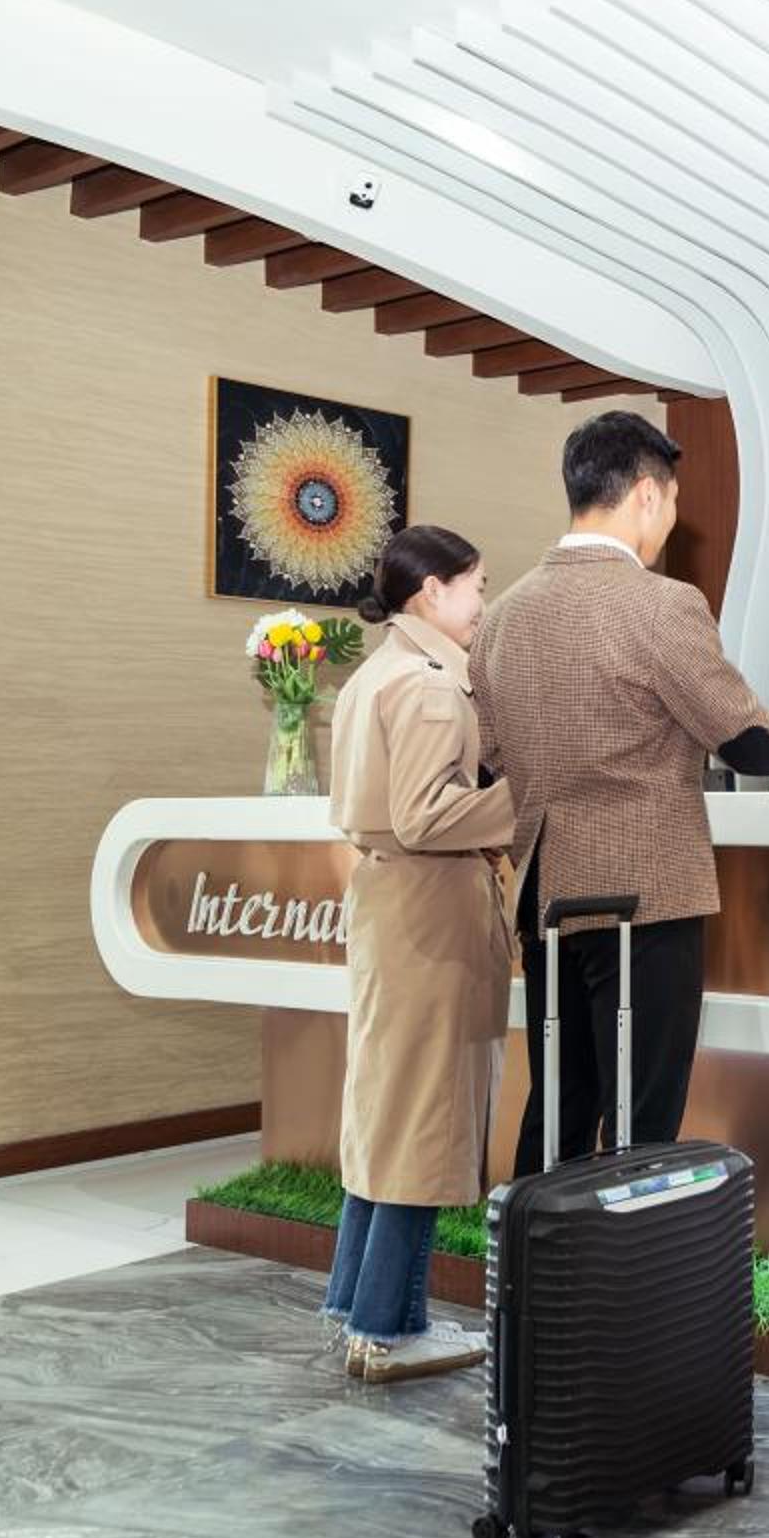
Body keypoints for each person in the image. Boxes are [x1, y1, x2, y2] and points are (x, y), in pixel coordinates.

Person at [472, 410, 769, 1174]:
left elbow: (490, 763)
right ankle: (625, 1256)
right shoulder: (661, 604)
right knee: (640, 1123)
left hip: (546, 898)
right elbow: (752, 742)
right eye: (675, 501)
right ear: (647, 495)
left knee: (558, 1106)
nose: (672, 519)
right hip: (643, 901)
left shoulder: (502, 617)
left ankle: (532, 1250)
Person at [319, 524, 516, 1381]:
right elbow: (428, 815)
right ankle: (390, 1329)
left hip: (391, 908)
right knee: (422, 1122)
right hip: (431, 915)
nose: (484, 604)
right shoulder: (430, 686)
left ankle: (356, 1312)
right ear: (432, 590)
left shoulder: (378, 673)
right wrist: (531, 796)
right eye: (478, 586)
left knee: (385, 1111)